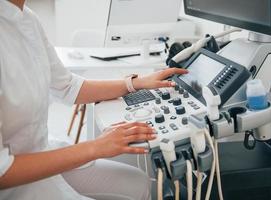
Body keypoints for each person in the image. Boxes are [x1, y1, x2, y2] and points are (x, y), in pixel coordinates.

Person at [0, 0, 188, 199]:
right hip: (14, 184)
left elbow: (67, 86)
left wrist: (136, 83)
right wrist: (95, 147)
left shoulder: (27, 18)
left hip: (41, 151)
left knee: (138, 183)